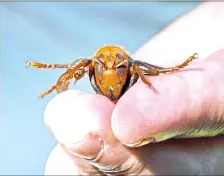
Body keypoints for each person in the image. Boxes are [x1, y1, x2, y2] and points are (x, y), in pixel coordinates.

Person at [44, 2, 224, 175]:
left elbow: (159, 70)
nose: (110, 73)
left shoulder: (135, 67)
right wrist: (58, 80)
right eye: (103, 68)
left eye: (118, 67)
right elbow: (72, 73)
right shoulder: (87, 65)